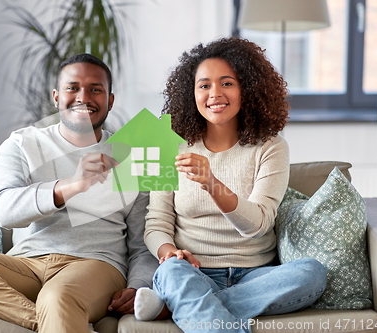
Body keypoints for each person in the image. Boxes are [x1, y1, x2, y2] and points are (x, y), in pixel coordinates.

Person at [0, 53, 158, 333]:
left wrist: (138, 286)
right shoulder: (22, 144)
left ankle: (56, 314)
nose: (84, 97)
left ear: (110, 101)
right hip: (26, 264)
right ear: (56, 97)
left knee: (58, 297)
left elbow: (142, 245)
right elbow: (4, 212)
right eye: (73, 88)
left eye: (96, 89)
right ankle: (47, 321)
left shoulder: (132, 158)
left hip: (97, 265)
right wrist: (68, 186)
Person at [133, 37, 327, 333]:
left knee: (312, 273)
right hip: (192, 271)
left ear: (246, 89)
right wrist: (168, 251)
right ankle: (185, 297)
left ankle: (177, 306)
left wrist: (211, 182)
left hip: (256, 275)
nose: (215, 94)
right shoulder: (167, 144)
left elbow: (259, 224)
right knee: (171, 272)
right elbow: (156, 222)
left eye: (227, 83)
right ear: (191, 92)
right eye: (204, 85)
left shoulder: (271, 147)